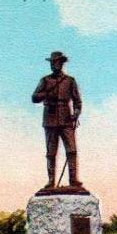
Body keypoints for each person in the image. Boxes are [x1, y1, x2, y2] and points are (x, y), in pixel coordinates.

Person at [32, 51, 83, 188]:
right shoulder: (45, 80)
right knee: (51, 152)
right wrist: (46, 93)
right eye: (52, 63)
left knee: (71, 150)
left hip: (66, 118)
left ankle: (73, 180)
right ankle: (51, 181)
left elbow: (78, 102)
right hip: (50, 118)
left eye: (56, 62)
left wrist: (76, 114)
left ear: (61, 63)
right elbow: (34, 97)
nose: (53, 65)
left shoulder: (70, 81)